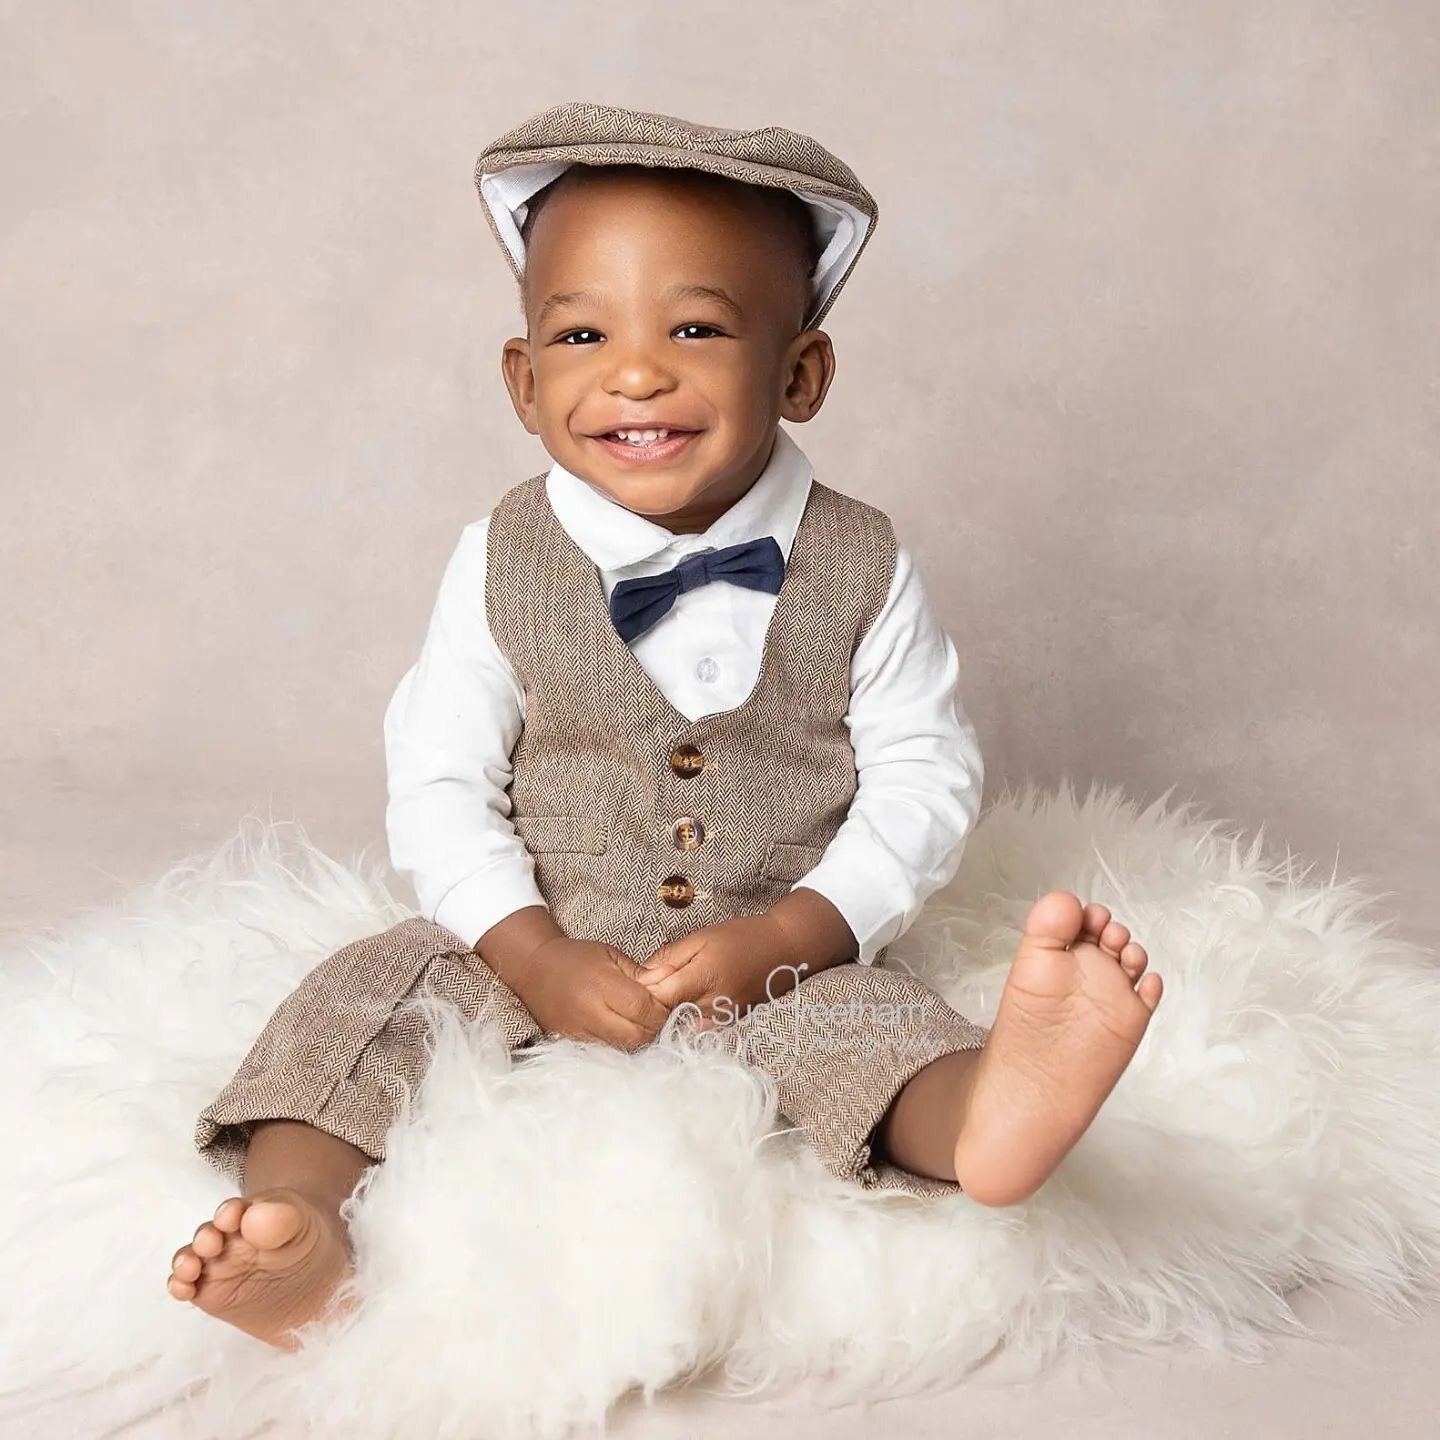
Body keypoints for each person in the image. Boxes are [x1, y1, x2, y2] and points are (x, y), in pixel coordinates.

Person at [166, 102, 1163, 1352]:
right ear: (526, 383)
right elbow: (437, 783)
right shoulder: (498, 557)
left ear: (798, 372)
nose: (636, 372)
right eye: (584, 334)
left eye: (694, 327)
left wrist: (796, 932)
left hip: (774, 955)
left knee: (869, 1026)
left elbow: (922, 778)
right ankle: (299, 1223)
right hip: (538, 939)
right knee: (368, 999)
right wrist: (528, 951)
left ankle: (985, 1113)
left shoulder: (860, 559)